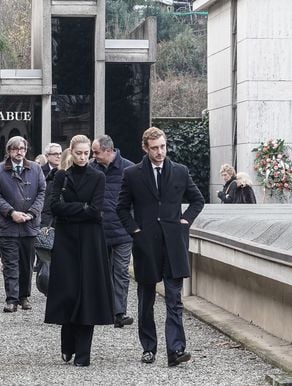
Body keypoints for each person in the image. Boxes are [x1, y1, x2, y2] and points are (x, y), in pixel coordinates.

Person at [117, 127, 204, 367]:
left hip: (174, 244)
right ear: (145, 148)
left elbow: (198, 200)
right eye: (154, 148)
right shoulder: (132, 174)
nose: (160, 152)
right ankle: (148, 347)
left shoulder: (180, 171)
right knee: (146, 300)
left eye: (163, 147)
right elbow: (121, 208)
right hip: (146, 245)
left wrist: (184, 222)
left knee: (174, 299)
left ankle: (176, 349)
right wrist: (135, 231)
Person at [44, 135, 113, 367]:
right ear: (71, 152)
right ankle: (67, 344)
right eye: (79, 153)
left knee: (88, 294)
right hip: (66, 241)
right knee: (68, 291)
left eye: (86, 153)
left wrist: (71, 209)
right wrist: (81, 208)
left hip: (91, 241)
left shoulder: (98, 176)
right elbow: (54, 207)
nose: (83, 157)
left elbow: (96, 211)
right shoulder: (62, 175)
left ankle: (84, 353)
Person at [0, 136, 46, 312]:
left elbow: (42, 192)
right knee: (10, 264)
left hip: (29, 225)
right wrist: (11, 213)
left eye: (22, 148)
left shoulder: (36, 169)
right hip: (8, 226)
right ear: (9, 151)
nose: (19, 152)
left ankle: (24, 297)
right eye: (15, 149)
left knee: (27, 264)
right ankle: (11, 299)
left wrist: (31, 214)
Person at [90, 134, 135, 328]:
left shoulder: (129, 169)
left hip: (123, 232)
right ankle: (105, 309)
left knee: (121, 272)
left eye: (96, 152)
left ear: (109, 151)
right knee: (103, 272)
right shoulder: (92, 169)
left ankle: (119, 312)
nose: (93, 156)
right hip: (99, 230)